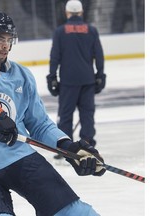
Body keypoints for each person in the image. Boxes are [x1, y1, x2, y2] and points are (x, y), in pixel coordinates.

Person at [0, 11, 106, 216]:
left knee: (77, 213)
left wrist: (67, 147)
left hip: (21, 157)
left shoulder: (21, 75)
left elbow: (39, 124)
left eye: (8, 39)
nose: (6, 45)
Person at [46, 0, 106, 159]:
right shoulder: (91, 31)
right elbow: (98, 55)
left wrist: (52, 77)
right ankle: (88, 145)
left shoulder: (60, 32)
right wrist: (100, 75)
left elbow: (55, 57)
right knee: (87, 114)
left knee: (65, 115)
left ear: (67, 13)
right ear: (81, 13)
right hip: (87, 80)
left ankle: (66, 148)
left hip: (68, 81)